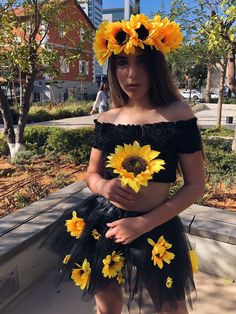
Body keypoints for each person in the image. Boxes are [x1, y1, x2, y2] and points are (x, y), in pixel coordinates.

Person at [43, 14, 205, 314]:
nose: (132, 74)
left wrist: (143, 223)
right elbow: (91, 174)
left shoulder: (177, 115)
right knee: (107, 306)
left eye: (142, 61)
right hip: (105, 223)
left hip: (156, 225)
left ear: (157, 65)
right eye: (122, 63)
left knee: (172, 309)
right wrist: (102, 185)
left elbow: (196, 185)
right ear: (112, 67)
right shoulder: (108, 120)